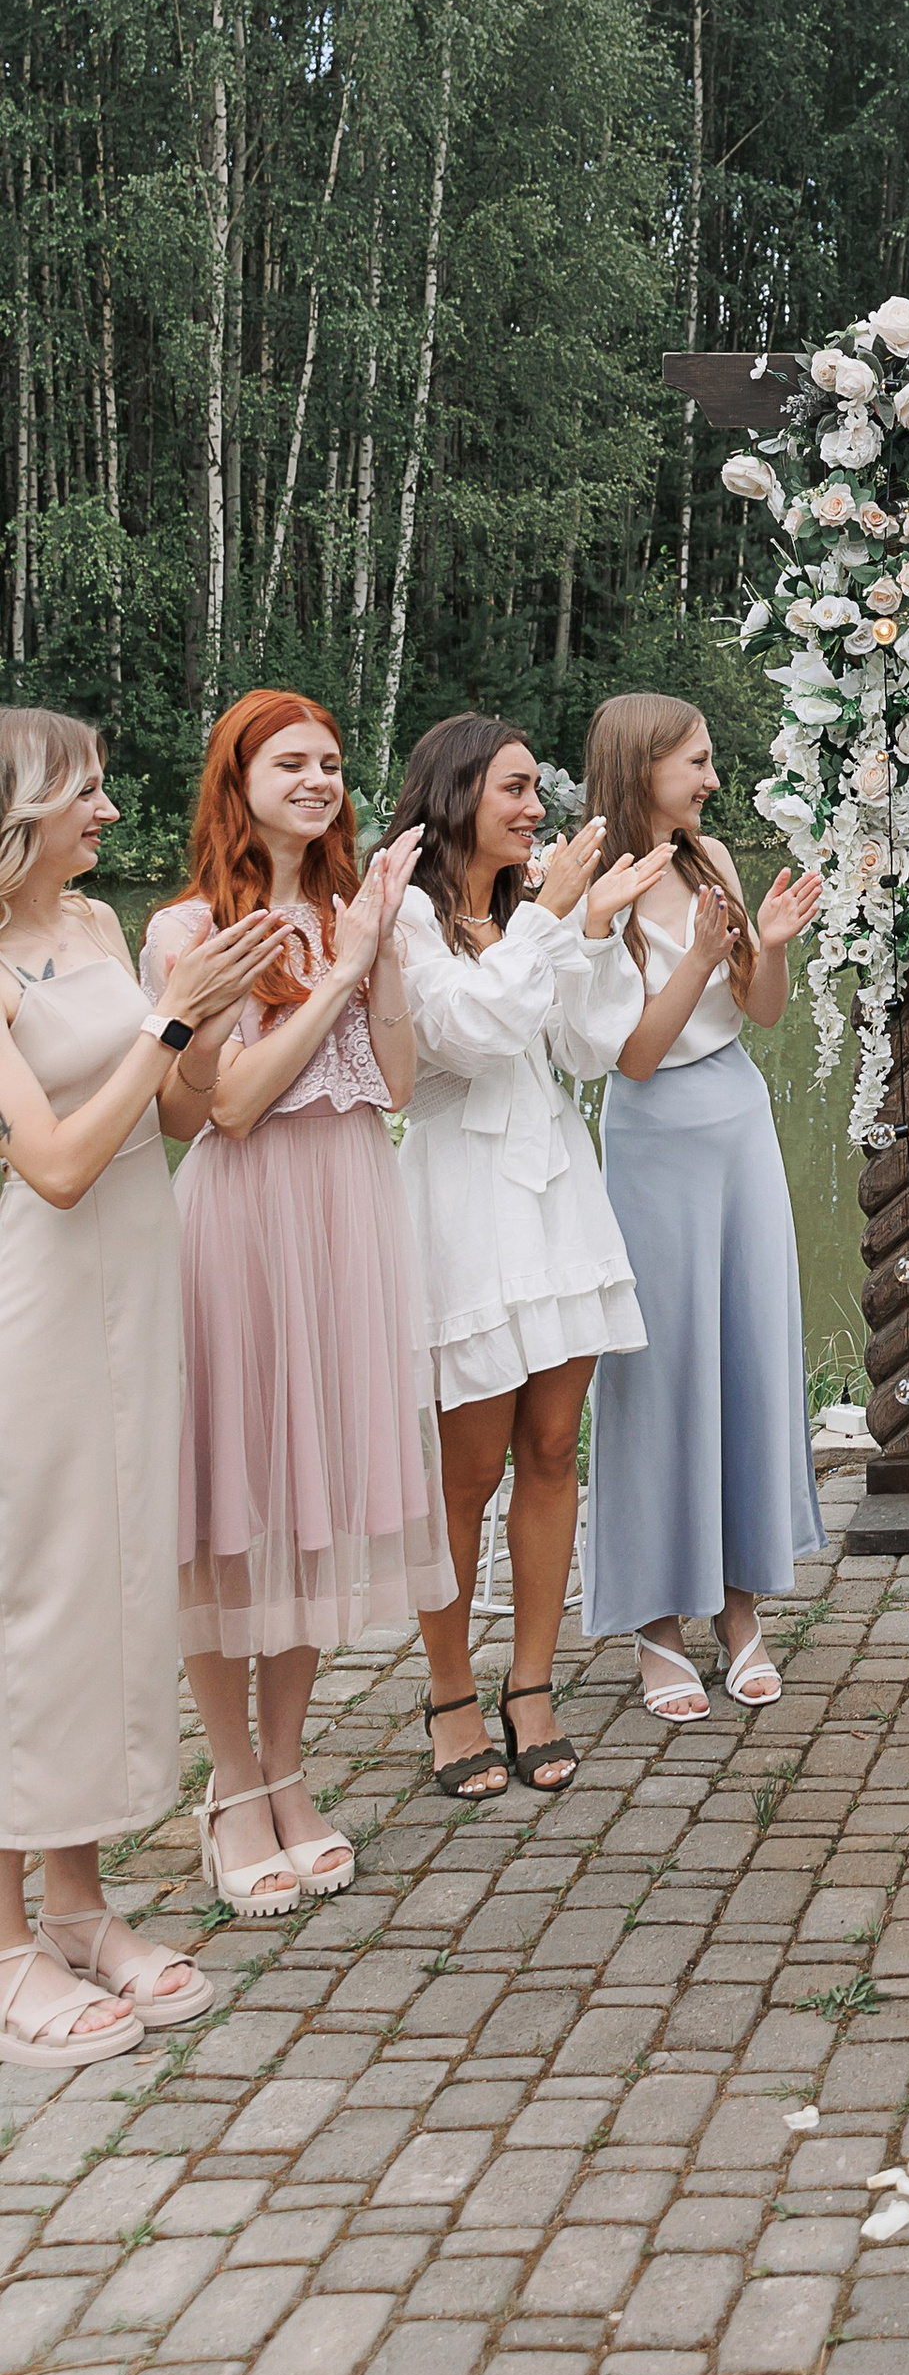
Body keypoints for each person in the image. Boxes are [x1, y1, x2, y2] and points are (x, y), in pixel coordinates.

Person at [0, 711, 282, 2070]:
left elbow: (174, 1116)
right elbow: (51, 1161)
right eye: (86, 793)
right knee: (34, 1600)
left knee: (118, 1591)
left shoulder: (105, 931)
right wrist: (170, 1023)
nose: (109, 813)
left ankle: (78, 1903)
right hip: (36, 1297)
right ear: (19, 811)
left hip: (135, 1280)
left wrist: (210, 1021)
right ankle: (3, 1944)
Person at [145, 694, 446, 1913]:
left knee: (316, 1492)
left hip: (352, 1203)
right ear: (239, 776)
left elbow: (404, 1082)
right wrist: (337, 973)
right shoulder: (187, 927)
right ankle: (227, 1785)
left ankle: (288, 1772)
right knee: (236, 1502)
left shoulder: (351, 913)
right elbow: (226, 1104)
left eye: (329, 763)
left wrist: (371, 954)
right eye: (290, 762)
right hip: (246, 1218)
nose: (317, 780)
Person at [388, 718, 672, 1799]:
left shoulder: (519, 912)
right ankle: (450, 1692)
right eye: (514, 789)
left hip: (554, 1184)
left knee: (554, 1446)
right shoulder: (406, 915)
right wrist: (554, 919)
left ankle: (535, 1683)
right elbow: (462, 1037)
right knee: (466, 1469)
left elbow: (588, 1046)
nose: (535, 809)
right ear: (457, 792)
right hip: (462, 1195)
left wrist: (588, 931)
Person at [579, 694, 826, 1722]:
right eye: (696, 763)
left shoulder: (711, 856)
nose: (711, 779)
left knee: (745, 1356)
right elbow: (633, 1053)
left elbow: (757, 1014)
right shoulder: (593, 883)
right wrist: (692, 956)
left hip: (737, 1122)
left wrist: (765, 944)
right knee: (660, 1367)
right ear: (640, 769)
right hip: (652, 1140)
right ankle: (652, 1620)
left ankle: (739, 1607)